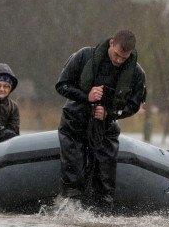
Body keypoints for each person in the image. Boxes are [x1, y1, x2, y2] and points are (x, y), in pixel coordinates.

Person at [55, 30, 147, 210]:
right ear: (111, 43)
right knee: (73, 179)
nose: (119, 60)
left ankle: (102, 221)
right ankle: (70, 217)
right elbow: (62, 85)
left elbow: (133, 106)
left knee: (105, 184)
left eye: (124, 57)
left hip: (106, 129)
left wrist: (109, 114)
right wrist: (86, 96)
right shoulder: (84, 56)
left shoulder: (136, 73)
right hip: (75, 123)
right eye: (117, 55)